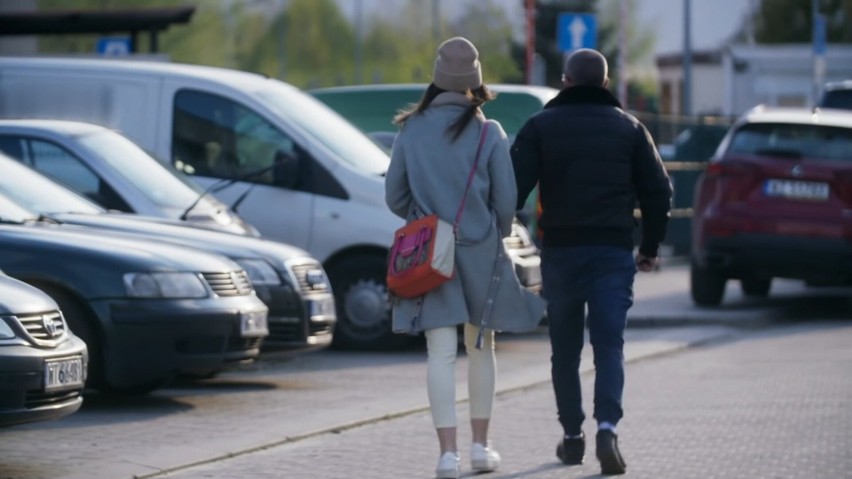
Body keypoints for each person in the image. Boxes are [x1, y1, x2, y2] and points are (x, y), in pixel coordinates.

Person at [385, 37, 546, 479]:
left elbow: (394, 196)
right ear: (476, 82)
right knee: (481, 347)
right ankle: (480, 447)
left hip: (428, 254)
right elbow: (507, 200)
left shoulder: (410, 129)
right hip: (480, 250)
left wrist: (423, 219)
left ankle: (446, 456)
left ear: (437, 79)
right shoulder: (488, 132)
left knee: (439, 353)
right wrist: (489, 226)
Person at [510, 48, 673, 475]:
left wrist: (507, 231)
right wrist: (650, 247)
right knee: (609, 346)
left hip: (560, 253)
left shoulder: (540, 127)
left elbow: (511, 190)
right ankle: (606, 428)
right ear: (605, 84)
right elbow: (659, 192)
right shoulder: (631, 129)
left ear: (565, 81)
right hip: (612, 253)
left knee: (564, 350)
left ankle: (572, 436)